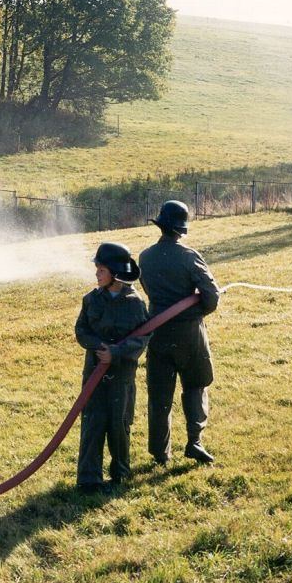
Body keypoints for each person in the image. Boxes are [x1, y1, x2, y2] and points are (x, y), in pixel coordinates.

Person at [139, 200, 220, 466]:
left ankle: (160, 453)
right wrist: (196, 311)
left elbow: (149, 290)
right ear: (181, 229)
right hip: (190, 335)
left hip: (158, 334)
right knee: (196, 386)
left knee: (160, 395)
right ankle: (195, 441)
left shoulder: (145, 257)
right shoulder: (189, 256)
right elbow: (211, 296)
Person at [75, 242, 149, 494]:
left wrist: (115, 354)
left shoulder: (135, 303)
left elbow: (142, 339)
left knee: (119, 424)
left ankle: (120, 473)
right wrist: (99, 348)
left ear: (115, 273)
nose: (96, 274)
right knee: (93, 423)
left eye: (101, 269)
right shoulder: (90, 301)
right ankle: (88, 479)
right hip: (94, 376)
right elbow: (81, 330)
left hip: (121, 377)